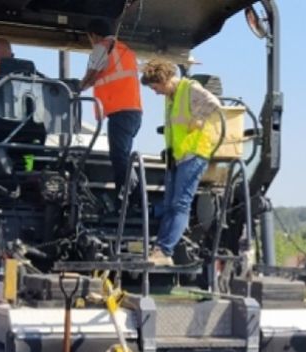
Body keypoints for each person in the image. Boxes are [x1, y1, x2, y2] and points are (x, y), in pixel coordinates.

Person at [139, 60, 221, 265]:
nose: (155, 92)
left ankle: (165, 251)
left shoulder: (189, 89)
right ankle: (159, 250)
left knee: (180, 204)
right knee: (169, 204)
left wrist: (199, 118)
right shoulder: (170, 97)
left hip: (194, 153)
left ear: (164, 80)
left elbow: (214, 103)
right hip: (178, 156)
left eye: (155, 87)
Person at [80, 18, 143, 204]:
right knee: (123, 155)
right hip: (134, 112)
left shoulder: (102, 48)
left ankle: (128, 200)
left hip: (119, 112)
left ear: (93, 35)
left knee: (119, 157)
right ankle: (133, 198)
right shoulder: (126, 51)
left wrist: (76, 88)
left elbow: (92, 75)